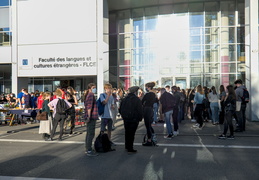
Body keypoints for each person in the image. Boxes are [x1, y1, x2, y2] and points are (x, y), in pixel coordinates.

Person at [120, 86, 143, 154]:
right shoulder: (136, 99)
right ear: (135, 92)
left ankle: (127, 146)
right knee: (132, 133)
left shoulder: (125, 99)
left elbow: (121, 108)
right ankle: (130, 147)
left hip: (126, 118)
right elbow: (140, 110)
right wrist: (140, 118)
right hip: (134, 119)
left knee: (127, 132)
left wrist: (123, 116)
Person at [84, 83, 99, 156]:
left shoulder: (88, 95)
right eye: (93, 87)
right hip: (92, 116)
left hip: (91, 116)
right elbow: (89, 107)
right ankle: (89, 150)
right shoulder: (91, 95)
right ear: (90, 88)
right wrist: (89, 117)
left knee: (89, 133)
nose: (94, 89)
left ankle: (88, 148)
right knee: (91, 133)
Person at [142, 82, 156, 146]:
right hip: (151, 109)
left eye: (147, 87)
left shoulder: (147, 95)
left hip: (146, 110)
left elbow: (142, 102)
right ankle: (152, 136)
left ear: (149, 88)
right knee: (149, 124)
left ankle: (149, 139)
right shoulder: (154, 94)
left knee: (147, 125)